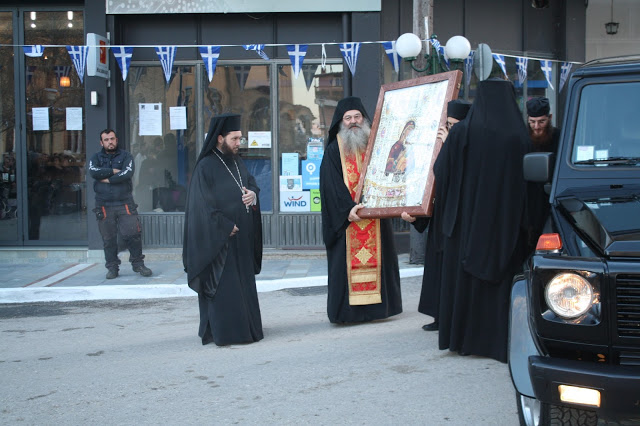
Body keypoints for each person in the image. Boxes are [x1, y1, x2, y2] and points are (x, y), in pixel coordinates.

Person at [432, 79, 530, 363]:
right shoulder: (519, 136)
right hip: (505, 227)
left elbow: (441, 172)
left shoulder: (462, 132)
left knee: (464, 283)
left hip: (464, 227)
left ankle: (463, 340)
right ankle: (499, 341)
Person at [182, 113, 263, 346]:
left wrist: (253, 194)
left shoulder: (237, 161)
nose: (239, 143)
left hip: (242, 239)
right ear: (220, 138)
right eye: (235, 139)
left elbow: (252, 182)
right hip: (220, 241)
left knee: (243, 286)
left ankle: (248, 329)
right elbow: (201, 206)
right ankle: (227, 333)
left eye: (241, 138)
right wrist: (225, 226)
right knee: (224, 288)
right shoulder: (205, 167)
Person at [319, 96, 402, 323]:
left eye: (357, 117)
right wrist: (348, 208)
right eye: (348, 118)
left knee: (380, 261)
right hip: (348, 220)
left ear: (364, 119)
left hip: (374, 217)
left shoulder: (375, 146)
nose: (353, 122)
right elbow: (330, 186)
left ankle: (377, 310)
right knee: (345, 267)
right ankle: (349, 313)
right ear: (340, 121)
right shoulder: (334, 150)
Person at [401, 99, 472, 332]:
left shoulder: (467, 146)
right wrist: (418, 215)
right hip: (440, 216)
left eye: (453, 125)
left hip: (459, 220)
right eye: (447, 125)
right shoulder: (442, 144)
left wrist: (450, 142)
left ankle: (453, 319)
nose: (448, 130)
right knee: (437, 268)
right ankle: (439, 316)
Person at [88, 129, 153, 279]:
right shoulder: (95, 158)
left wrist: (108, 178)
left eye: (112, 139)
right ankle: (112, 268)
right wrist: (113, 171)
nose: (110, 142)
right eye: (106, 140)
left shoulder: (127, 156)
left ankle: (138, 265)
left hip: (125, 203)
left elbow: (127, 174)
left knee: (133, 235)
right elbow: (94, 172)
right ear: (101, 142)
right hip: (103, 204)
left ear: (116, 140)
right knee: (108, 239)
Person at [526, 97, 560, 250]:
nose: (536, 127)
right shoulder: (524, 138)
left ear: (550, 118)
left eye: (541, 122)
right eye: (532, 122)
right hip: (530, 199)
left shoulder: (559, 137)